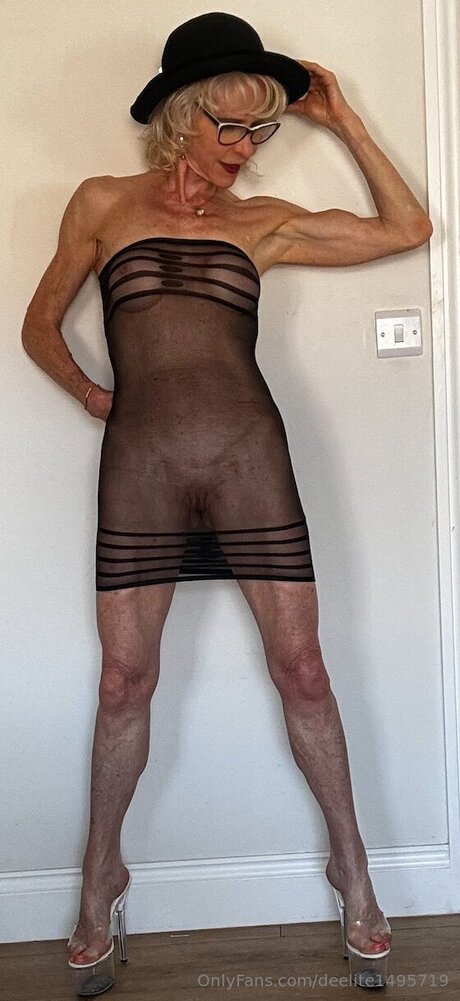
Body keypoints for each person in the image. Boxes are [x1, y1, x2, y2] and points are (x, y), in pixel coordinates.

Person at [22, 11, 432, 995]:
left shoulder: (264, 222)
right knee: (122, 684)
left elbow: (408, 228)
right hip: (143, 467)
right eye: (231, 126)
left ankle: (353, 868)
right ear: (180, 116)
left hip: (251, 459)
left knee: (304, 670)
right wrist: (92, 396)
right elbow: (39, 326)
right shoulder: (102, 203)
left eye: (263, 130)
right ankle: (99, 877)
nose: (246, 149)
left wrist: (343, 118)